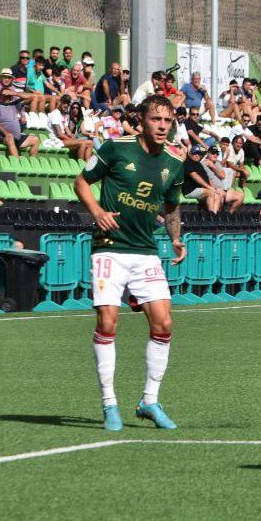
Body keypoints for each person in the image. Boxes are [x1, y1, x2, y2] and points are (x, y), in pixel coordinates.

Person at [75, 94, 187, 432]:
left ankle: (149, 401)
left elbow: (172, 207)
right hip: (110, 248)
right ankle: (110, 404)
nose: (163, 126)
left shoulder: (174, 163)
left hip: (146, 251)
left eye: (168, 121)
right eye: (156, 120)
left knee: (164, 324)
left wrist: (176, 237)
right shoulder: (115, 148)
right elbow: (81, 182)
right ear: (142, 120)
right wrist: (96, 212)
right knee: (108, 323)